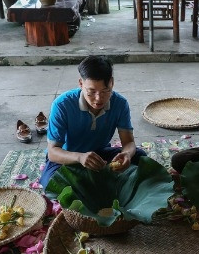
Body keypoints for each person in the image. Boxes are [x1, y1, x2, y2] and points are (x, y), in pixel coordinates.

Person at [39, 55, 146, 188]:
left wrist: (126, 154)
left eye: (105, 91)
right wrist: (80, 157)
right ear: (81, 84)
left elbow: (129, 142)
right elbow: (53, 152)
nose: (98, 99)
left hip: (99, 155)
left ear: (112, 82)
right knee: (51, 183)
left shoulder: (120, 104)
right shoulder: (62, 105)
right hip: (68, 157)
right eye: (91, 92)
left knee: (140, 157)